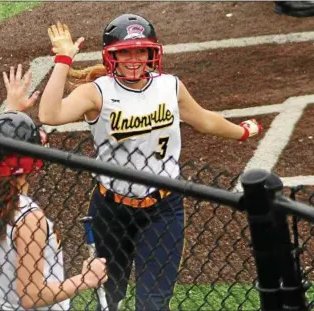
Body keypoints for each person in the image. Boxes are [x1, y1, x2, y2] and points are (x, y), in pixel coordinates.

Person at [39, 14, 263, 311]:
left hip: (163, 209)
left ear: (151, 53)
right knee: (110, 296)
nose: (134, 59)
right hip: (110, 210)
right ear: (112, 56)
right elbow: (50, 114)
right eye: (125, 52)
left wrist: (242, 132)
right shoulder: (97, 92)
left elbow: (204, 119)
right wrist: (64, 60)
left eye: (140, 51)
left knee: (153, 304)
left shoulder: (169, 86)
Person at [0, 64, 107, 310]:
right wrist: (87, 279)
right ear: (33, 161)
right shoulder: (29, 218)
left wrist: (10, 110)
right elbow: (32, 296)